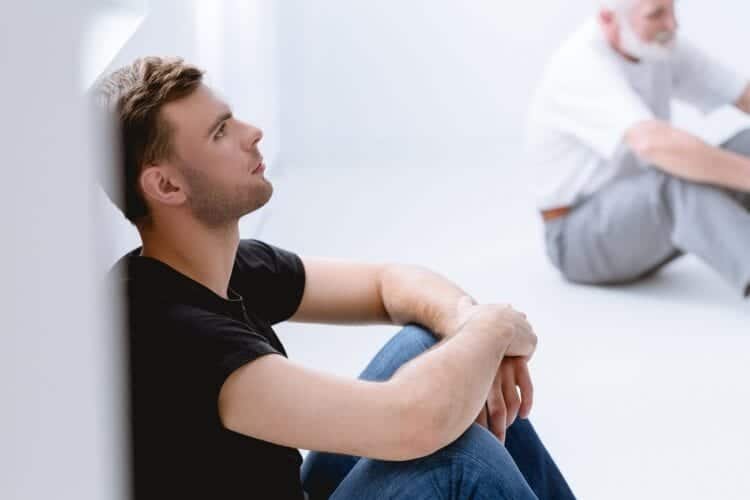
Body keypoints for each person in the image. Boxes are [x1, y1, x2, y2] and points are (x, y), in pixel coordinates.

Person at [97, 57, 575, 499]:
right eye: (221, 132)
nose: (253, 133)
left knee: (436, 344)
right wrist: (490, 329)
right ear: (166, 185)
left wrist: (468, 325)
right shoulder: (170, 332)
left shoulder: (214, 267)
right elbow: (411, 420)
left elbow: (387, 284)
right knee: (461, 454)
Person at [527, 0, 750, 296]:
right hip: (577, 238)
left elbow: (742, 93)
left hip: (646, 219)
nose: (672, 24)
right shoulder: (581, 64)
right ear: (608, 19)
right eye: (656, 14)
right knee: (675, 178)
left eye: (672, 10)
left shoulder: (657, 46)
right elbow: (652, 144)